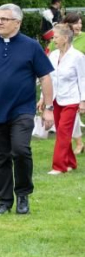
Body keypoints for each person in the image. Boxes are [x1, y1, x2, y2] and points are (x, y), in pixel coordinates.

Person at [0, 3, 54, 215]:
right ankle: (4, 201)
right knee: (1, 158)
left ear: (17, 22)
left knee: (20, 150)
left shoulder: (31, 46)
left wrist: (48, 108)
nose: (0, 22)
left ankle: (23, 195)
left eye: (5, 19)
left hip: (22, 110)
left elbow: (45, 77)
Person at [37, 24, 85, 175]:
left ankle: (58, 166)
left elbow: (82, 79)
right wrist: (43, 98)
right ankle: (70, 162)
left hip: (72, 100)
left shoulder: (78, 56)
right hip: (55, 99)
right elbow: (48, 78)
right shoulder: (53, 55)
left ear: (65, 38)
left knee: (64, 131)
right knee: (61, 132)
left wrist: (83, 101)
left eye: (56, 37)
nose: (53, 40)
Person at [50, 12, 85, 154]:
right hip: (61, 89)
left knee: (67, 125)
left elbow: (82, 76)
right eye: (76, 23)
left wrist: (83, 100)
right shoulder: (56, 45)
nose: (79, 26)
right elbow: (50, 70)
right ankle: (77, 145)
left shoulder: (83, 40)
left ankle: (63, 159)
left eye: (80, 23)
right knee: (66, 126)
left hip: (77, 84)